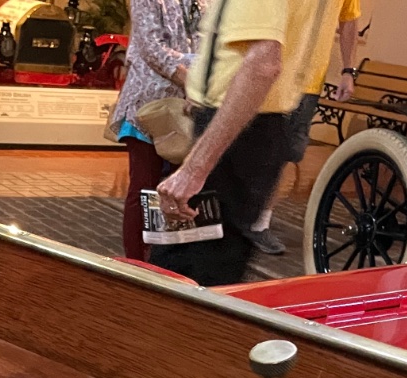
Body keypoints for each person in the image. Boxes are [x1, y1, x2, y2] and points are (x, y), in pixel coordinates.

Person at [152, 0, 339, 286]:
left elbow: (263, 64)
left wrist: (194, 170)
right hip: (255, 124)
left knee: (184, 273)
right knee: (213, 266)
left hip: (237, 128)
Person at [245, 0, 359, 255]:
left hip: (307, 81)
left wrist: (348, 70)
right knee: (248, 144)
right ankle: (230, 216)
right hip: (266, 70)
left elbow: (350, 18)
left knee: (284, 153)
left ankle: (260, 223)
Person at [108, 0, 200, 261]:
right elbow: (152, 48)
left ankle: (174, 260)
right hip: (148, 107)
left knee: (183, 191)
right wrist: (191, 80)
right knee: (145, 188)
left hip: (189, 109)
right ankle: (137, 263)